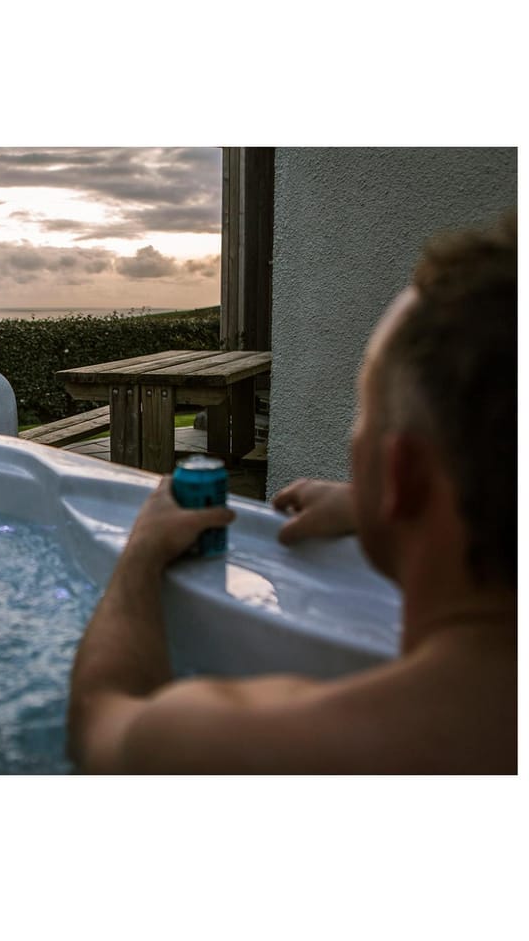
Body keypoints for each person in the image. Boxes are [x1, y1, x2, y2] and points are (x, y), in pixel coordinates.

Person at [66, 211, 516, 774]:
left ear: (405, 477)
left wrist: (140, 554)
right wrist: (364, 504)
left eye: (362, 418)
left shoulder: (289, 744)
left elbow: (100, 722)